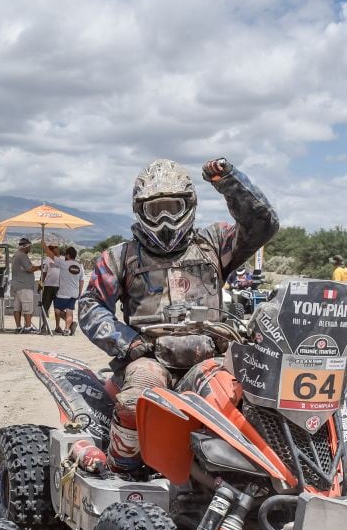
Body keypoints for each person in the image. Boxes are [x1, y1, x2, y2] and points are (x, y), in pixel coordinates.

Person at [78, 158, 279, 470]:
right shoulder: (120, 257)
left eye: (173, 207)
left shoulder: (214, 244)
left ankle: (241, 476)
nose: (165, 220)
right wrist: (129, 343)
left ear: (190, 205)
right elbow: (90, 305)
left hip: (210, 359)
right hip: (149, 358)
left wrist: (229, 181)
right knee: (136, 401)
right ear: (139, 210)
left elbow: (262, 225)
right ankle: (121, 473)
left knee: (246, 402)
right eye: (155, 210)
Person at [10, 237, 38, 333]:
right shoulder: (22, 256)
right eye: (29, 247)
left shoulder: (16, 255)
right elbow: (29, 269)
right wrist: (39, 267)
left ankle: (18, 327)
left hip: (17, 285)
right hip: (24, 286)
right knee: (27, 307)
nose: (30, 249)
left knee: (17, 307)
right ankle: (28, 327)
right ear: (25, 246)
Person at [53, 247, 84, 335]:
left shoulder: (63, 263)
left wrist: (43, 245)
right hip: (74, 293)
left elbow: (52, 256)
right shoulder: (79, 266)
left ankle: (67, 325)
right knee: (69, 312)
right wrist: (80, 293)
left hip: (63, 293)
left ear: (68, 255)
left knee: (57, 310)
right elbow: (81, 281)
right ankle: (67, 329)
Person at [40, 243, 61, 321]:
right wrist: (40, 283)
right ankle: (44, 324)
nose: (57, 249)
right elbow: (43, 273)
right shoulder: (47, 260)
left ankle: (57, 326)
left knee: (58, 308)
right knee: (44, 306)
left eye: (57, 247)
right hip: (48, 286)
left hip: (60, 287)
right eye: (55, 247)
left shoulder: (62, 259)